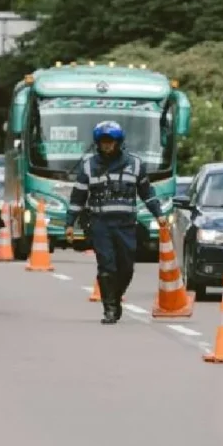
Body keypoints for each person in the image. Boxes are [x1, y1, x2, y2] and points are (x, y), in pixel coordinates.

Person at [64, 121, 166, 324]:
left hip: (126, 225)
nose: (107, 145)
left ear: (118, 142)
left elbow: (147, 193)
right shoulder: (88, 166)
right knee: (106, 267)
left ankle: (116, 297)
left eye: (110, 141)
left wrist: (159, 215)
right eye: (103, 142)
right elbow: (78, 198)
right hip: (100, 224)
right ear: (97, 143)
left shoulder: (135, 164)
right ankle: (109, 308)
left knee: (126, 268)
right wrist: (69, 223)